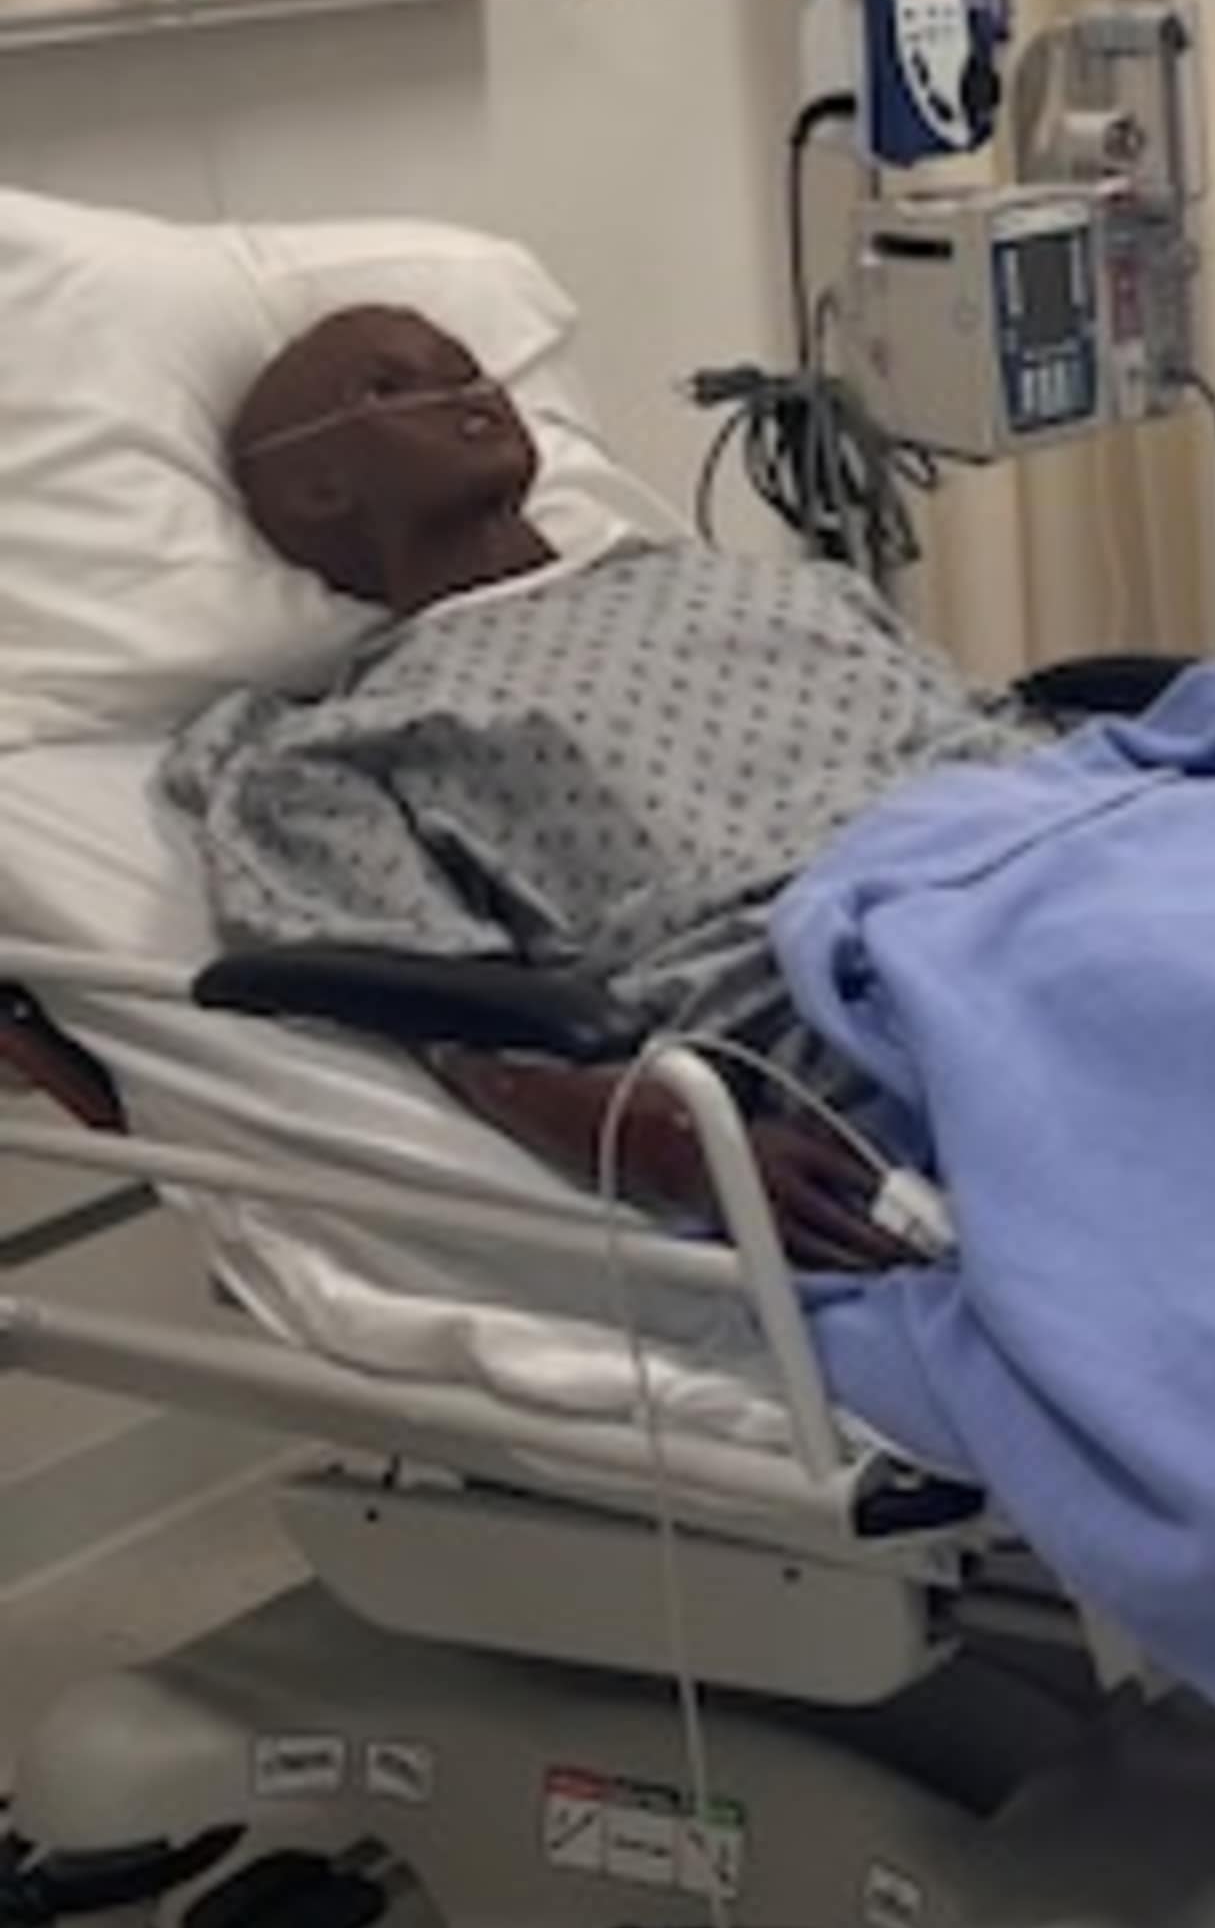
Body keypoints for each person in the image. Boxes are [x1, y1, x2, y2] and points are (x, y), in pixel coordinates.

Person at [167, 305, 1013, 1270]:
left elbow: (1009, 733)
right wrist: (673, 1144)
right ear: (316, 488)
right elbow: (449, 1012)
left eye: (471, 369)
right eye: (390, 388)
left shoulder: (770, 587)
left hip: (1076, 836)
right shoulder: (331, 749)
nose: (470, 397)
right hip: (890, 968)